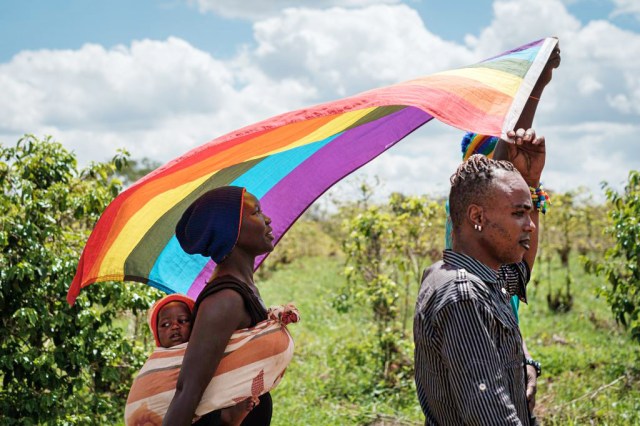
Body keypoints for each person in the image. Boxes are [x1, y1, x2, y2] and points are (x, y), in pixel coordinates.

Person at [414, 127, 548, 425]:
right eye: (518, 214)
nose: (530, 225)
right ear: (477, 217)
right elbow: (492, 417)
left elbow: (520, 272)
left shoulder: (484, 278)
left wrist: (532, 182)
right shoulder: (464, 296)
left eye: (530, 212)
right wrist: (535, 88)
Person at [163, 186, 283, 426]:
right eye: (256, 212)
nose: (267, 219)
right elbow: (188, 390)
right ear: (230, 231)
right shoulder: (225, 300)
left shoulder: (243, 289)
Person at [143, 294, 259, 425]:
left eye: (182, 321)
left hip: (215, 404)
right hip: (172, 414)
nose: (174, 326)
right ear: (157, 335)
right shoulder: (155, 365)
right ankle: (228, 419)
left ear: (196, 326)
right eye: (165, 324)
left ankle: (229, 417)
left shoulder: (205, 351)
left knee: (262, 400)